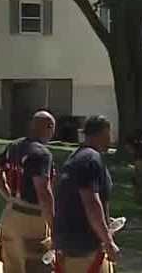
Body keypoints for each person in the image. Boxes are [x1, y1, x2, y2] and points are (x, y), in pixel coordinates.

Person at [0, 110, 57, 273]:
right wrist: (55, 228)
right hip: (32, 219)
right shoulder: (41, 154)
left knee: (12, 266)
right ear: (49, 128)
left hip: (11, 215)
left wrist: (7, 196)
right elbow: (43, 192)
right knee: (35, 266)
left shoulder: (14, 147)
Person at [53, 115, 117, 273]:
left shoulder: (75, 158)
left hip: (67, 242)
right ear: (101, 134)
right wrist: (108, 242)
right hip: (85, 246)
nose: (111, 139)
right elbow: (91, 203)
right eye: (109, 134)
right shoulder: (91, 159)